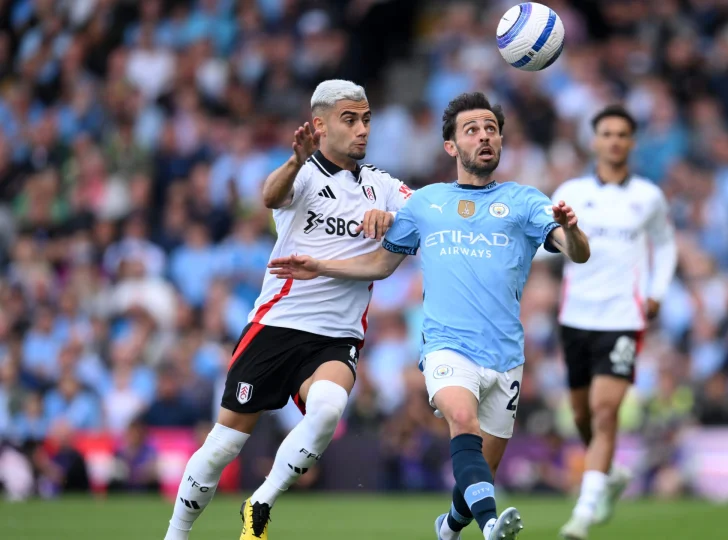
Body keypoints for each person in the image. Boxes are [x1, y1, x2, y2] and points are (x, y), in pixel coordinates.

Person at [267, 91, 591, 540]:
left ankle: (450, 526)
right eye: (472, 130)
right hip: (446, 346)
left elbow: (577, 253)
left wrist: (572, 231)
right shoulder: (426, 203)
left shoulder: (525, 201)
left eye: (491, 129)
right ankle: (490, 525)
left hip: (505, 356)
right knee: (462, 421)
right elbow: (380, 264)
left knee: (480, 469)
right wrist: (320, 265)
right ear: (451, 146)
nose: (484, 137)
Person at [162, 79, 412, 540]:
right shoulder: (303, 175)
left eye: (366, 119)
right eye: (350, 119)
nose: (362, 129)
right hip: (277, 326)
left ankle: (260, 501)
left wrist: (395, 218)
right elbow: (270, 196)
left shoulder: (383, 185)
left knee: (328, 409)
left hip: (337, 336)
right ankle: (176, 534)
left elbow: (426, 216)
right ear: (320, 125)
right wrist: (296, 160)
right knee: (222, 447)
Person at [552, 105, 677, 539]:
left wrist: (657, 291)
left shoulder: (648, 196)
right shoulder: (570, 192)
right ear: (594, 141)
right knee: (582, 414)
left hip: (623, 317)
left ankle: (584, 513)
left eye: (622, 134)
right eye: (607, 133)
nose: (614, 141)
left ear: (632, 142)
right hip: (575, 315)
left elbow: (666, 244)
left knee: (605, 411)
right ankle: (609, 474)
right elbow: (545, 241)